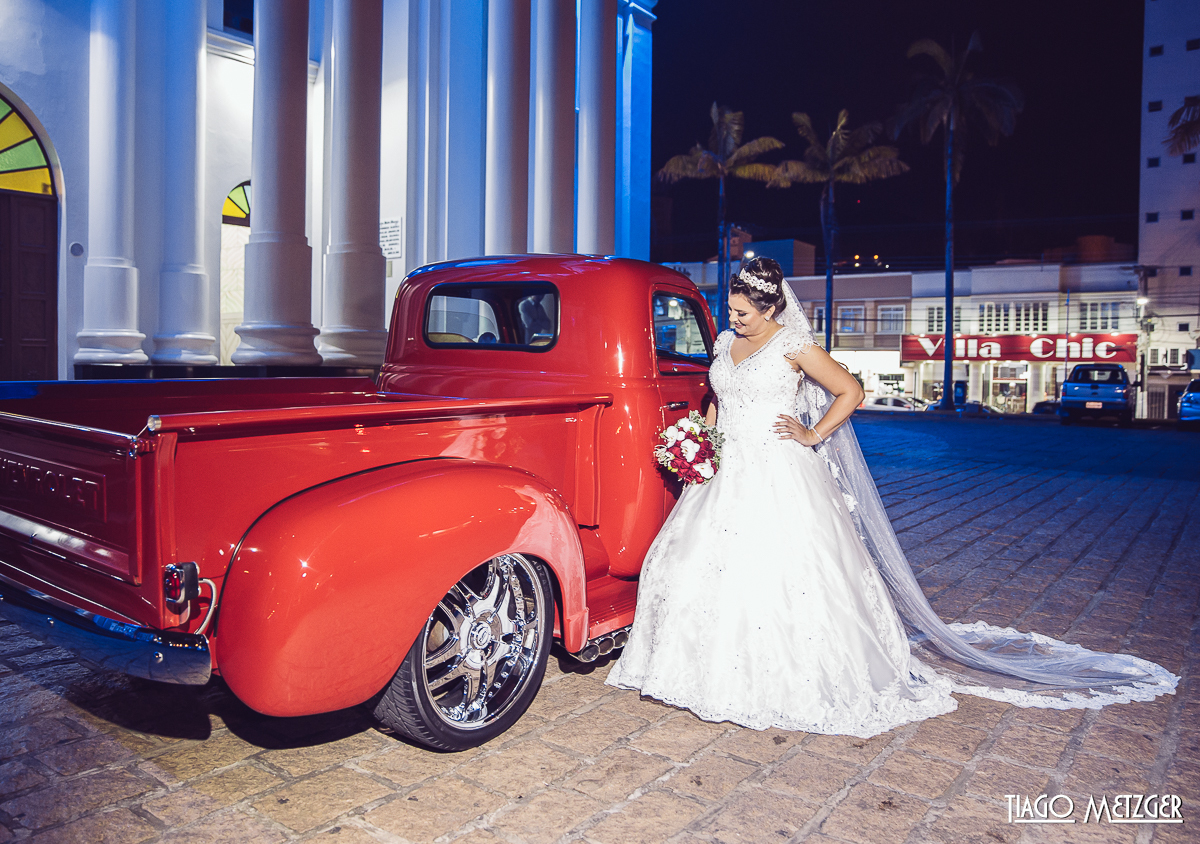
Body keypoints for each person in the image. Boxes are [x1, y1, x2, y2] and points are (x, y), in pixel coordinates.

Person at [606, 257, 1176, 737]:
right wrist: (703, 439)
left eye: (743, 312)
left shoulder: (794, 345)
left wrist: (812, 433)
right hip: (725, 468)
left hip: (777, 467)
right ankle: (693, 669)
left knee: (781, 570)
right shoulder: (726, 342)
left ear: (772, 307)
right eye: (731, 310)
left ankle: (783, 677)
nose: (733, 319)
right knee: (698, 561)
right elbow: (718, 397)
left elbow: (850, 391)